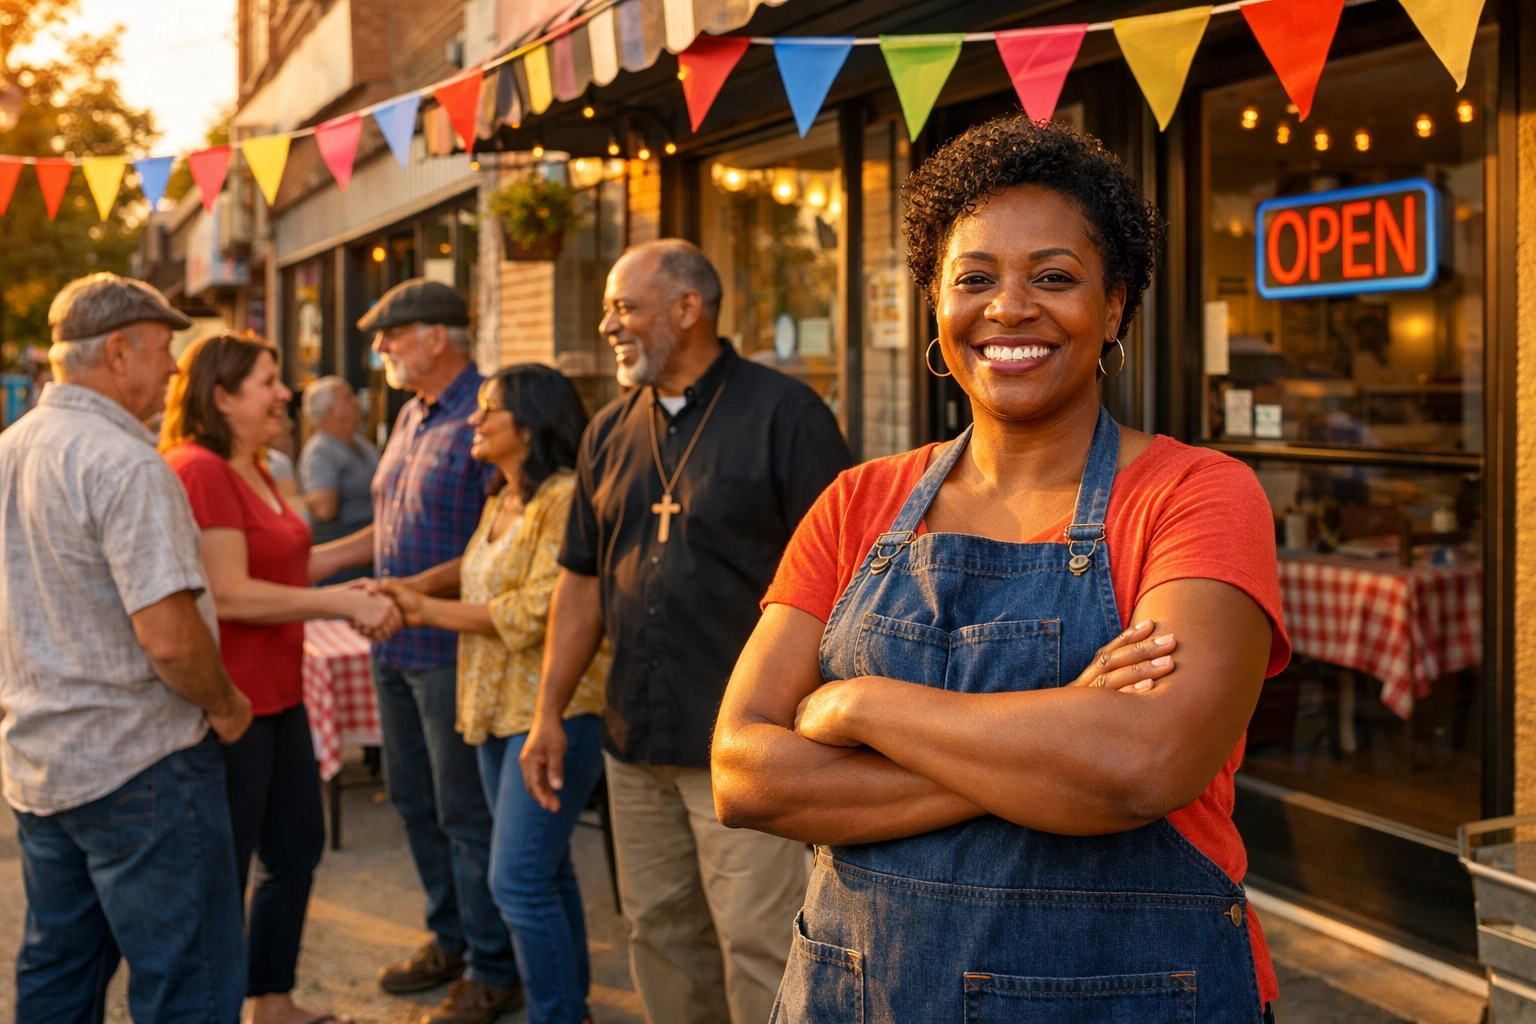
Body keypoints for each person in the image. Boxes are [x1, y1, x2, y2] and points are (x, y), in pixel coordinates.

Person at [710, 117, 1292, 1022]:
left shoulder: (1198, 496)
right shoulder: (856, 504)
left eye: (1053, 277)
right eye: (973, 279)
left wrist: (864, 709)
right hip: (865, 997)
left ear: (1115, 306)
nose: (1009, 308)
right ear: (936, 309)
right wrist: (1057, 746)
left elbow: (1141, 766)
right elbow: (745, 775)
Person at [520, 239, 852, 1024]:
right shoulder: (606, 430)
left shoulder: (786, 415)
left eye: (623, 307)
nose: (609, 325)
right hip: (635, 742)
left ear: (687, 309)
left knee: (758, 942)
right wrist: (547, 712)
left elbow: (848, 584)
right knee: (660, 937)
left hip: (746, 743)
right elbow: (581, 583)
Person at [0, 273, 252, 1023]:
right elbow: (171, 639)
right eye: (165, 347)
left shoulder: (11, 448)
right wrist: (227, 704)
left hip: (42, 762)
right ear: (118, 352)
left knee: (58, 970)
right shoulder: (126, 462)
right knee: (189, 983)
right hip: (140, 765)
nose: (176, 367)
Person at [160, 332, 402, 1024]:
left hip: (282, 694)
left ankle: (270, 1001)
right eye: (268, 382)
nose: (284, 394)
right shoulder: (199, 468)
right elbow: (230, 592)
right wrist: (344, 603)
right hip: (229, 702)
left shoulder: (260, 466)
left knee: (295, 849)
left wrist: (383, 544)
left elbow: (290, 564)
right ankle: (217, 1008)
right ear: (221, 397)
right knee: (225, 869)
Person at [312, 279, 521, 1024]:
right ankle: (450, 940)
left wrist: (410, 594)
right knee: (411, 799)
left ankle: (495, 969)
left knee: (463, 810)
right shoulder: (408, 413)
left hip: (449, 645)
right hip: (394, 643)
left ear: (437, 337)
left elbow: (505, 540)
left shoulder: (489, 415)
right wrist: (321, 564)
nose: (380, 349)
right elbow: (389, 523)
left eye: (391, 335)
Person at [381, 364, 609, 1024]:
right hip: (492, 709)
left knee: (515, 879)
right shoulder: (502, 497)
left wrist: (421, 613)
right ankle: (569, 1008)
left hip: (553, 713)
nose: (474, 422)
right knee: (544, 872)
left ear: (531, 426)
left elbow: (535, 608)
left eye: (489, 411)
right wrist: (413, 586)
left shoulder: (565, 499)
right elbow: (477, 570)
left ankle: (556, 1014)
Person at [300, 375, 378, 584]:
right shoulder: (320, 451)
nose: (357, 401)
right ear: (330, 410)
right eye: (348, 397)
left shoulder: (361, 443)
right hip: (343, 562)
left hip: (371, 552)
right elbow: (324, 509)